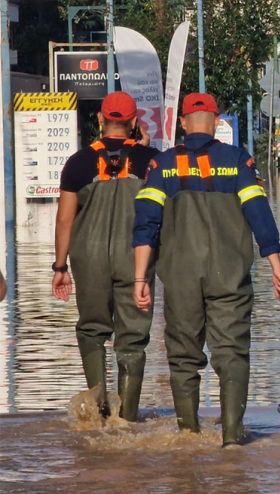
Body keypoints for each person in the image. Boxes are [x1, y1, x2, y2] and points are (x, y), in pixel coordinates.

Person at [132, 92, 280, 447]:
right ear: (217, 121)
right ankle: (233, 439)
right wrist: (276, 268)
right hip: (230, 273)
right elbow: (260, 216)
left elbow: (146, 225)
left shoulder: (161, 166)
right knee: (232, 352)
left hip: (180, 276)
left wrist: (140, 278)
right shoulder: (238, 161)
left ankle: (189, 439)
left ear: (184, 123)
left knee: (184, 357)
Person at [51, 91, 158, 421]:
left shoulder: (78, 163)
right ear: (133, 122)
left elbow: (65, 218)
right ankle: (125, 419)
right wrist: (145, 147)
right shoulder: (150, 160)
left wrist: (59, 266)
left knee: (93, 331)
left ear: (100, 119)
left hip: (89, 257)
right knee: (133, 337)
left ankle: (98, 414)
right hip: (135, 257)